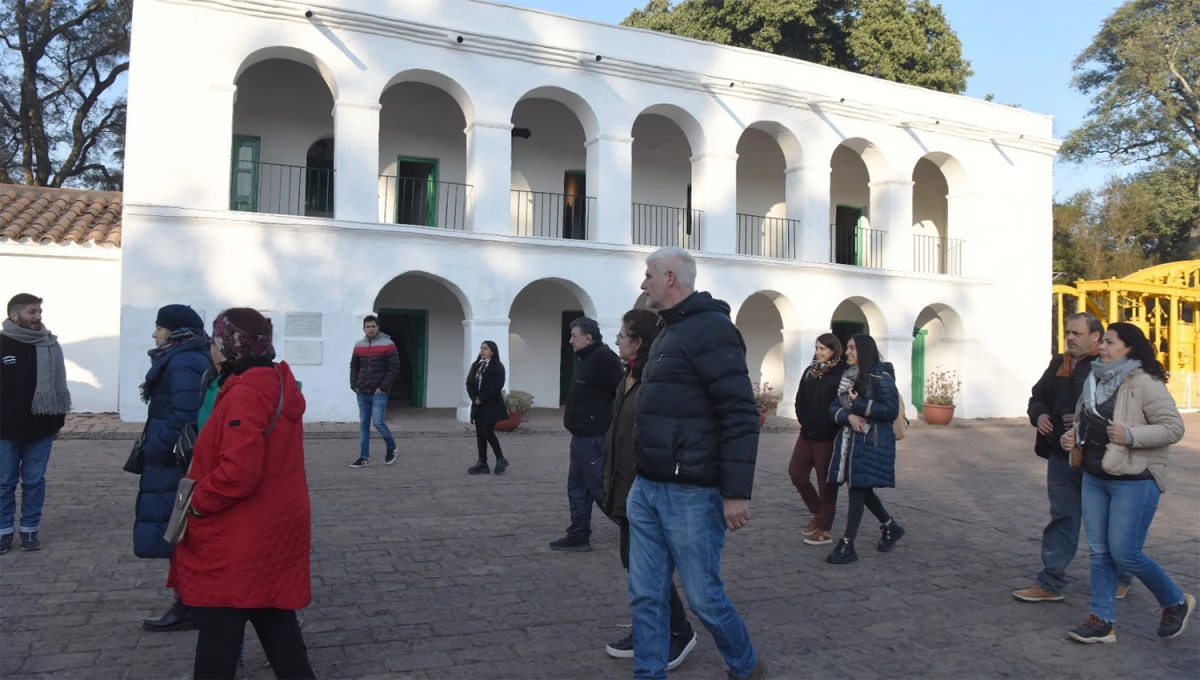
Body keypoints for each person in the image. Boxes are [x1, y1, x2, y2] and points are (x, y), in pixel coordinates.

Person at [628, 247, 767, 680]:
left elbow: (739, 414)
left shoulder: (712, 330)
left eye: (649, 274)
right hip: (647, 487)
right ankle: (648, 673)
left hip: (691, 492)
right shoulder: (669, 330)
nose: (643, 282)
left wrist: (736, 492)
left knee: (704, 596)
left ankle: (745, 665)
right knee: (645, 595)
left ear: (671, 277)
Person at [168, 308, 316, 679]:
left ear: (231, 348)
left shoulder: (246, 392)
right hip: (272, 524)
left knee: (220, 628)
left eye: (216, 343)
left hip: (243, 532)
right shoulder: (276, 381)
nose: (212, 351)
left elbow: (239, 472)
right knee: (273, 617)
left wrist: (198, 503)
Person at [1060, 322, 1193, 644]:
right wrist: (1072, 436)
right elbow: (1086, 420)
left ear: (1128, 347)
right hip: (1094, 476)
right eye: (1102, 341)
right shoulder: (1094, 379)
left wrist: (1131, 435)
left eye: (1109, 342)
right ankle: (1102, 621)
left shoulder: (1144, 383)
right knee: (1099, 552)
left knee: (1126, 553)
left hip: (1135, 479)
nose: (1101, 347)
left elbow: (1173, 427)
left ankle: (1175, 601)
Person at [600, 309, 697, 670]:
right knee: (635, 563)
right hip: (622, 483)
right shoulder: (627, 375)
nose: (617, 341)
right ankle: (652, 630)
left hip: (644, 486)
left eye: (622, 335)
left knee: (647, 567)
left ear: (638, 341)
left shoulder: (655, 379)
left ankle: (678, 631)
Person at [1014, 312, 1133, 602]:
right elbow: (1037, 395)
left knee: (1105, 522)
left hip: (1097, 458)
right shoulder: (1059, 362)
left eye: (1076, 334)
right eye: (1068, 332)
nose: (1069, 338)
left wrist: (1084, 420)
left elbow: (1119, 410)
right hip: (1059, 454)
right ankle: (1050, 583)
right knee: (1062, 517)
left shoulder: (1107, 366)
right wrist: (1039, 414)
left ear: (1096, 337)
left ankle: (1121, 576)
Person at [137, 304, 211, 633]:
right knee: (177, 533)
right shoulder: (185, 356)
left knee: (179, 533)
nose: (155, 334)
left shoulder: (183, 360)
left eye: (160, 328)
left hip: (174, 462)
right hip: (171, 460)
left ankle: (192, 604)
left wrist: (159, 446)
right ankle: (190, 602)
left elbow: (184, 411)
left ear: (176, 331)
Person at [825, 334, 905, 565]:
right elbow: (833, 407)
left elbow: (890, 410)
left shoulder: (882, 376)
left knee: (857, 489)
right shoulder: (848, 376)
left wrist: (860, 405)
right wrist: (848, 414)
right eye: (847, 347)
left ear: (864, 350)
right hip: (852, 442)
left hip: (872, 443)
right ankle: (892, 527)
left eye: (852, 348)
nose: (847, 352)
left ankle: (848, 543)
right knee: (861, 488)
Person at [0, 294, 70, 554]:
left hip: (41, 427)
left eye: (39, 311)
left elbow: (59, 386)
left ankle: (30, 530)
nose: (37, 317)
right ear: (14, 315)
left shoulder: (50, 344)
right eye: (31, 312)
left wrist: (57, 423)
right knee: (4, 482)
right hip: (5, 429)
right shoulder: (2, 343)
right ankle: (3, 531)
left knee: (34, 481)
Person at [549, 316, 624, 552]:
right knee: (577, 487)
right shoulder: (588, 358)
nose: (570, 340)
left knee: (599, 489)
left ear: (588, 337)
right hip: (581, 436)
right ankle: (578, 534)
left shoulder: (603, 358)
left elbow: (621, 392)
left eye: (574, 336)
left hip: (594, 437)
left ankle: (639, 530)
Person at [789, 333, 847, 547]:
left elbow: (844, 403)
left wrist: (833, 425)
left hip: (828, 437)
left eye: (823, 348)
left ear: (834, 350)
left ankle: (824, 529)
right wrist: (804, 420)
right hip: (807, 434)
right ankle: (818, 512)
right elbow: (799, 398)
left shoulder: (843, 373)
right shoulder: (810, 371)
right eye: (817, 348)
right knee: (797, 474)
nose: (819, 352)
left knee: (826, 483)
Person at [349, 315, 399, 468]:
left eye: (373, 326)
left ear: (378, 327)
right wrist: (354, 385)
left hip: (378, 392)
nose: (370, 329)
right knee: (364, 425)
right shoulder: (359, 346)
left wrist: (383, 387)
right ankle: (364, 457)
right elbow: (354, 367)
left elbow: (394, 368)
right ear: (363, 328)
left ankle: (392, 446)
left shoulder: (388, 345)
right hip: (362, 391)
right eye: (367, 326)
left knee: (377, 422)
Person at [466, 341, 509, 475]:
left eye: (485, 349)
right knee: (480, 434)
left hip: (491, 405)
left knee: (487, 431)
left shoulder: (497, 367)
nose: (482, 351)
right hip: (478, 406)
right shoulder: (476, 365)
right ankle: (482, 462)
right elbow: (469, 383)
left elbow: (498, 385)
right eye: (481, 348)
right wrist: (475, 399)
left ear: (492, 351)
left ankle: (500, 458)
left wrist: (482, 398)